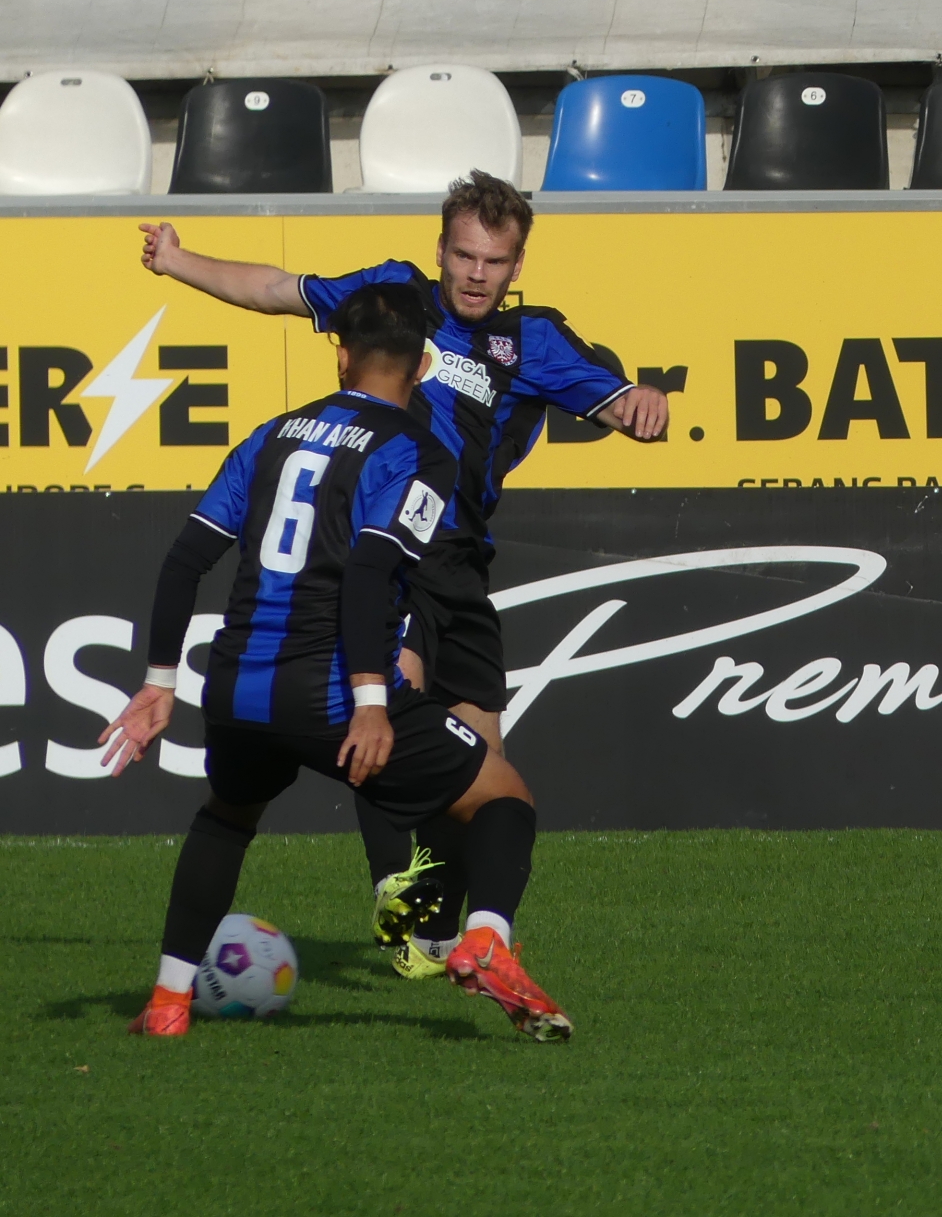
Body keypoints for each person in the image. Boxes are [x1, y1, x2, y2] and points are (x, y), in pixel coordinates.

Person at [139, 171, 667, 978]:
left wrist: (644, 404)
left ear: (517, 265)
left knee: (480, 780)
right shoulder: (395, 299)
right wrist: (180, 262)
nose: (476, 275)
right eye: (464, 256)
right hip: (389, 555)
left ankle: (440, 931)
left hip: (463, 569)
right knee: (387, 701)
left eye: (494, 261)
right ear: (441, 250)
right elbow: (277, 289)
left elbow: (621, 401)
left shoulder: (533, 342)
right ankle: (393, 882)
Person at [103, 283, 570, 1040]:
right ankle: (485, 940)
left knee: (226, 819)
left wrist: (159, 682)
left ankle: (167, 1003)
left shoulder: (270, 435)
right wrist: (371, 702)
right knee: (503, 797)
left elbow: (185, 560)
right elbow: (369, 573)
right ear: (423, 367)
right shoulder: (420, 453)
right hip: (328, 690)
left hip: (235, 686)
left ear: (343, 355)